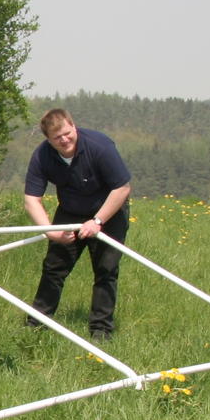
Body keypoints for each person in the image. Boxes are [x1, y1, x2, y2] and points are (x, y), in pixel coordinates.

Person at [22, 108, 133, 341]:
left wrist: (97, 221)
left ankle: (101, 331)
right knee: (54, 268)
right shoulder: (42, 156)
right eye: (57, 138)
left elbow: (122, 188)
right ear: (48, 140)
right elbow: (32, 199)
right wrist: (51, 233)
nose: (64, 140)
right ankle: (36, 324)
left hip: (109, 211)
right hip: (70, 211)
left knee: (106, 270)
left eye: (67, 133)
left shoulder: (100, 146)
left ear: (73, 126)